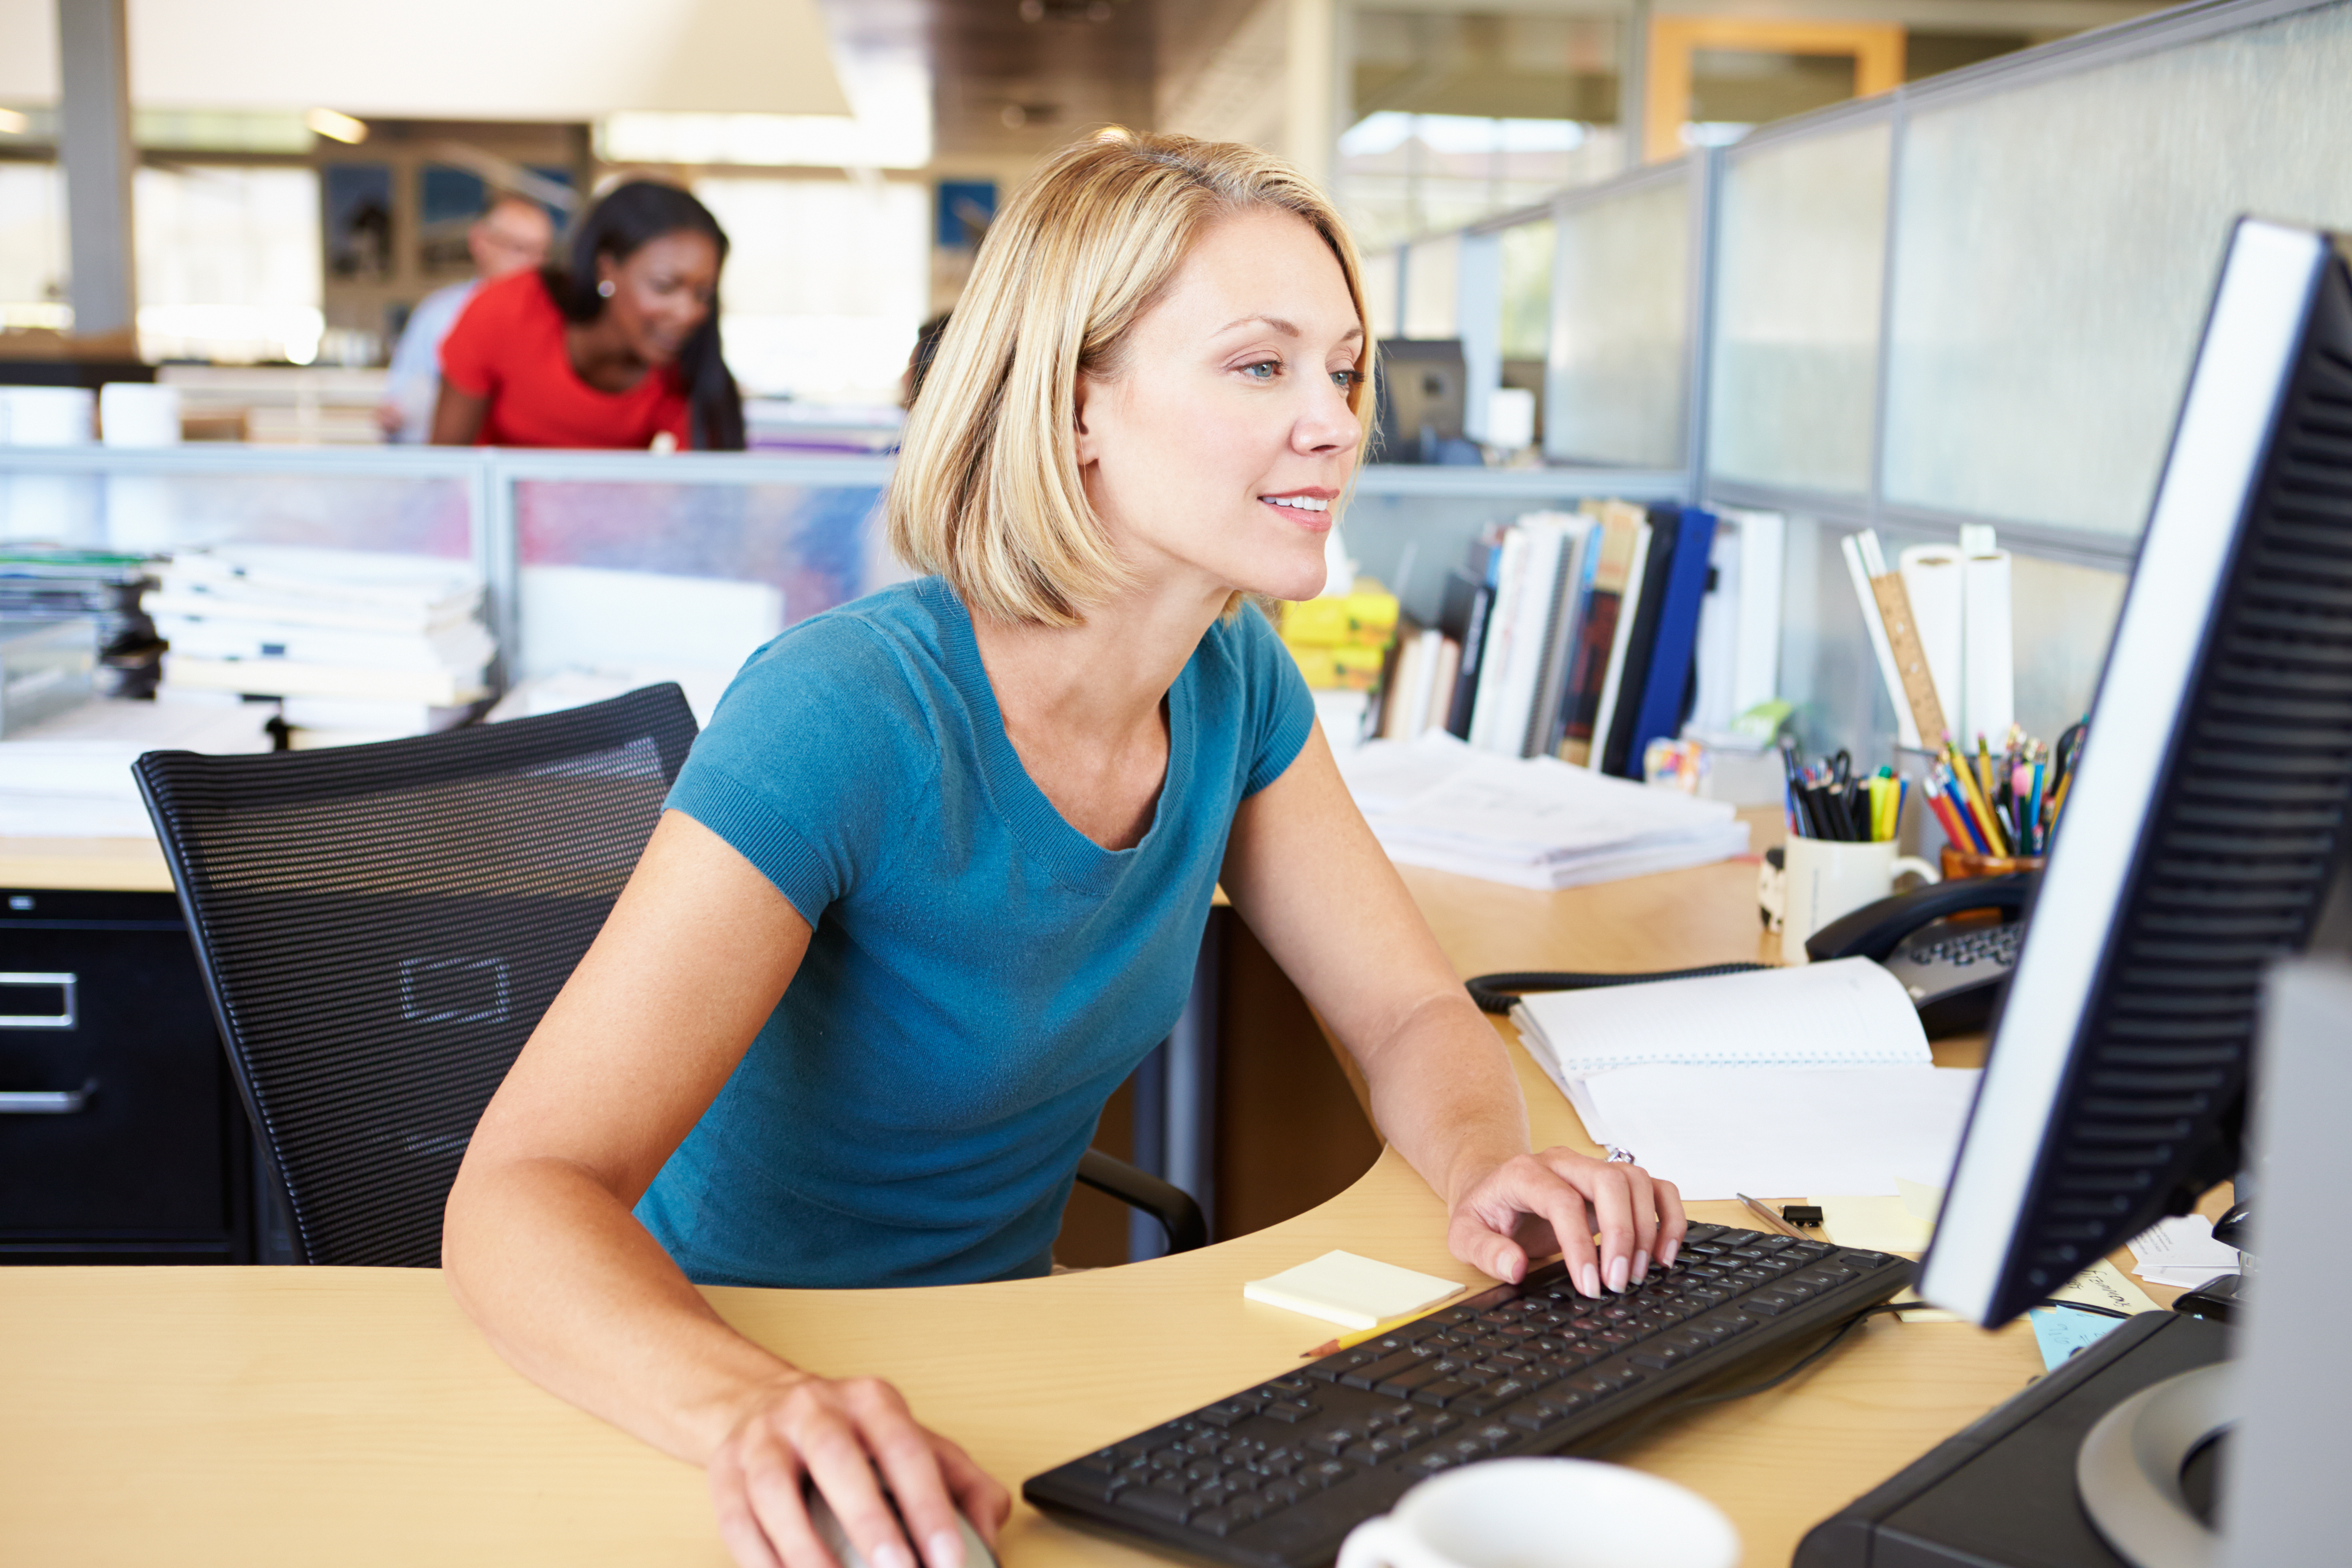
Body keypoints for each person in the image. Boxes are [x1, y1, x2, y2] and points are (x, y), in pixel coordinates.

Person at [442, 132, 1683, 1568]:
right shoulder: (846, 709)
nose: (1339, 422)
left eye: (1342, 370)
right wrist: (752, 1405)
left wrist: (1484, 1162)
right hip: (721, 1385)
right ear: (1076, 401)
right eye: (1259, 365)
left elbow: (1404, 1007)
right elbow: (522, 1190)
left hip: (996, 1353)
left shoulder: (1235, 688)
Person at [432, 179, 745, 451]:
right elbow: (442, 471)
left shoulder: (686, 370)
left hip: (609, 519)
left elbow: (706, 503)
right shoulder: (506, 311)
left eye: (703, 294)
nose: (688, 313)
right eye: (664, 287)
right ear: (605, 269)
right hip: (490, 515)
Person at [375, 194, 553, 442]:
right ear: (480, 241)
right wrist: (396, 419)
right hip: (455, 470)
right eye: (518, 248)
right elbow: (400, 404)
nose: (532, 264)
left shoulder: (560, 321)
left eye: (541, 252)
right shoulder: (438, 314)